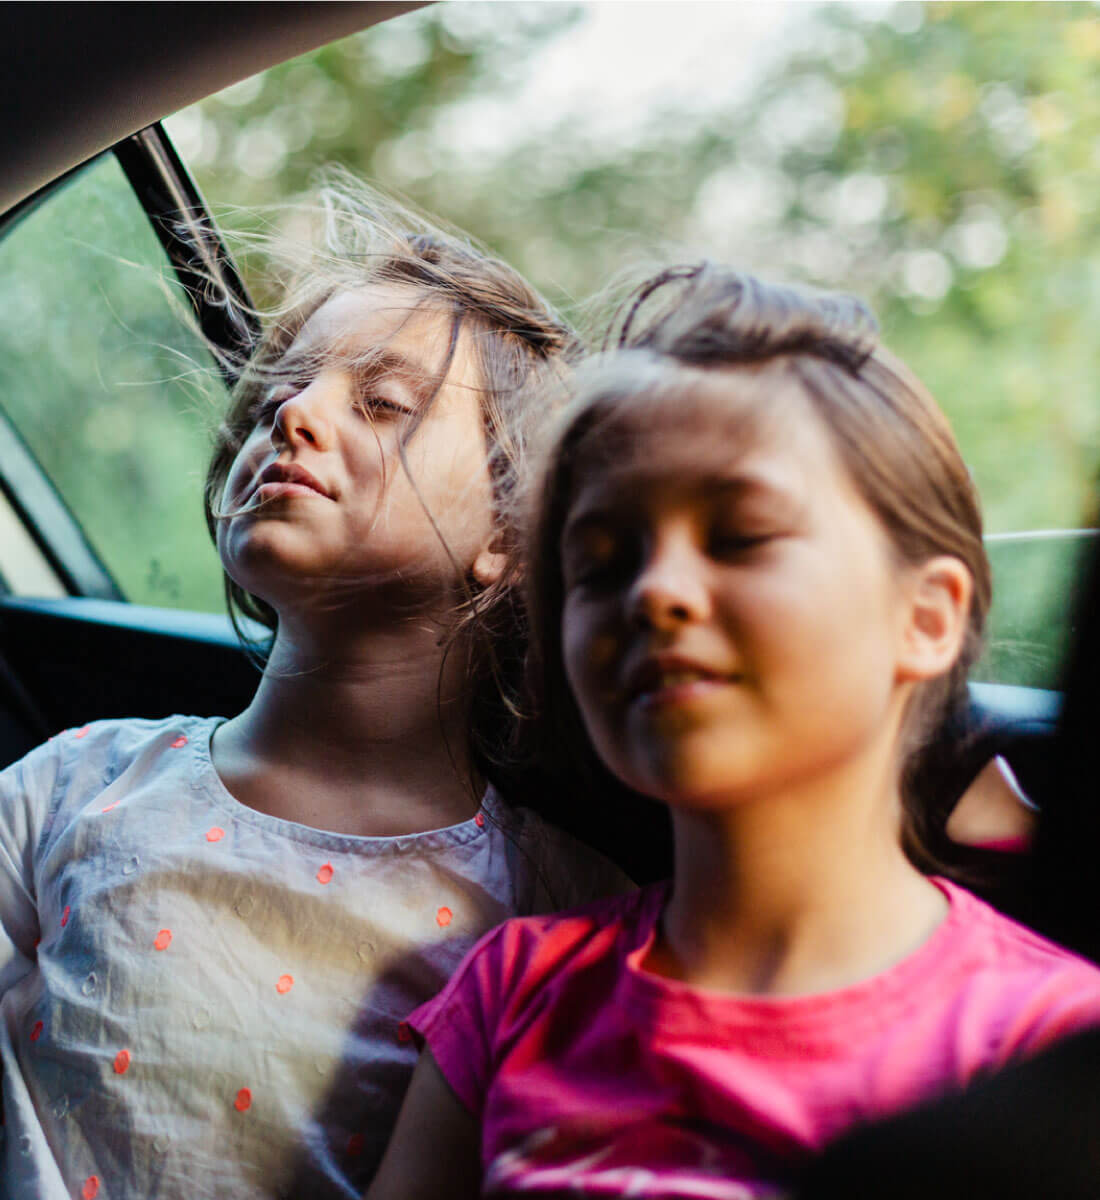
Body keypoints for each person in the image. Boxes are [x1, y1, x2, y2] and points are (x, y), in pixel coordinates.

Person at [367, 264, 1100, 1200]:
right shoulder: (511, 995)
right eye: (600, 563)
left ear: (925, 618)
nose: (655, 591)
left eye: (741, 535)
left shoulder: (1044, 1040)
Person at [0, 180, 629, 1200]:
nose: (293, 410)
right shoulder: (70, 787)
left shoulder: (555, 913)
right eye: (272, 395)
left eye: (381, 402)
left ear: (509, 536)